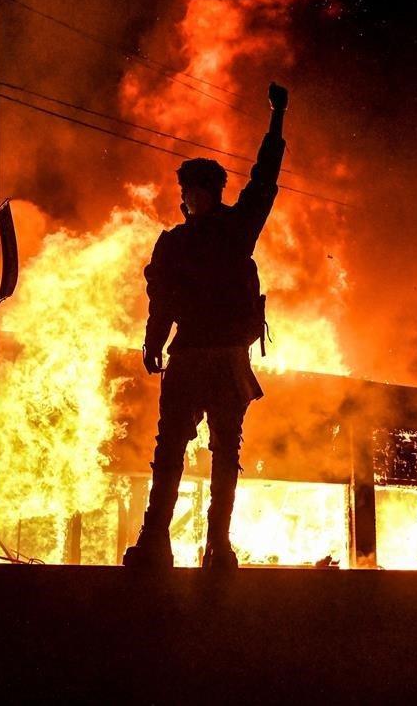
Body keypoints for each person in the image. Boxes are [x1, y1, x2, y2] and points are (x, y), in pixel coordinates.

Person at [123, 82, 288, 569]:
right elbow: (264, 180)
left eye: (190, 190)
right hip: (217, 359)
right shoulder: (235, 230)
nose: (188, 198)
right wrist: (277, 116)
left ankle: (166, 543)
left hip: (197, 357)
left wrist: (154, 344)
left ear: (195, 194)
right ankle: (211, 545)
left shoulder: (178, 242)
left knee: (175, 451)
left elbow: (162, 301)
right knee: (216, 455)